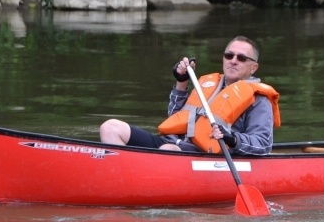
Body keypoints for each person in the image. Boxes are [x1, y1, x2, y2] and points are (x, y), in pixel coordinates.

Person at [100, 36, 281, 155]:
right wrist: (182, 82)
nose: (233, 61)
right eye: (229, 55)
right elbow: (174, 117)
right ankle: (119, 177)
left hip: (202, 153)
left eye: (241, 58)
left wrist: (231, 138)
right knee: (110, 128)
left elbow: (263, 145)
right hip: (170, 142)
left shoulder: (259, 99)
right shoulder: (207, 83)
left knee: (167, 150)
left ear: (254, 67)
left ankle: (131, 183)